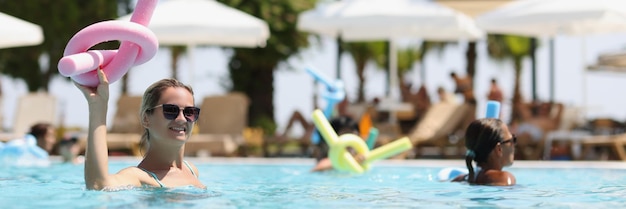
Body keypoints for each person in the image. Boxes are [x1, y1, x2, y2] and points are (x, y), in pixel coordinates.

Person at [75, 69, 205, 190]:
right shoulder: (138, 177)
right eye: (170, 110)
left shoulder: (192, 170)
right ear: (146, 119)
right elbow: (98, 185)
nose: (182, 119)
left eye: (190, 112)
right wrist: (98, 105)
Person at [452, 118, 516, 186]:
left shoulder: (459, 179)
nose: (514, 145)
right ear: (499, 149)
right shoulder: (504, 178)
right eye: (513, 140)